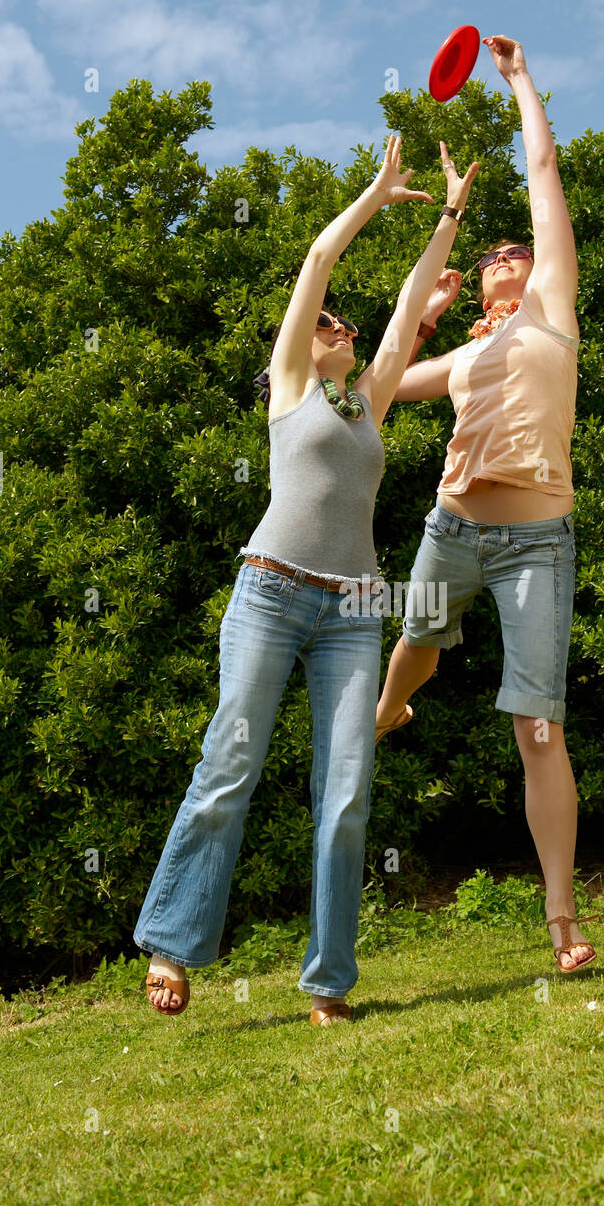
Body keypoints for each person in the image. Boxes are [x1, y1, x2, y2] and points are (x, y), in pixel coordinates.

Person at [134, 133, 479, 1023]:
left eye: (341, 327)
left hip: (356, 608)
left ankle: (328, 983)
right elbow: (320, 259)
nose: (341, 327)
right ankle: (173, 947)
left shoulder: (364, 401)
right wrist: (375, 193)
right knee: (231, 761)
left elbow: (407, 311)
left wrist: (447, 214)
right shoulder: (290, 388)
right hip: (272, 590)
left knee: (347, 788)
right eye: (329, 324)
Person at [375, 35, 597, 974]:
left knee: (535, 727)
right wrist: (430, 305)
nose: (510, 256)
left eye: (517, 250)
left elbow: (540, 168)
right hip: (453, 529)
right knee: (415, 652)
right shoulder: (464, 353)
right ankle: (387, 711)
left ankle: (560, 920)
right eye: (498, 254)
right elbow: (380, 382)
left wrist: (515, 79)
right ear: (482, 295)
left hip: (536, 542)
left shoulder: (552, 307)